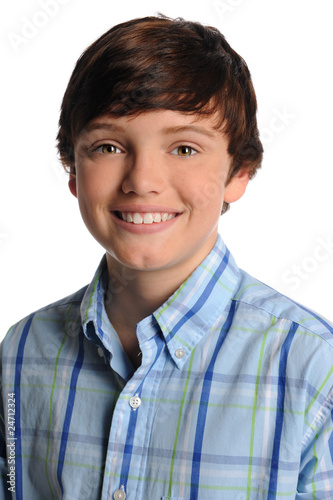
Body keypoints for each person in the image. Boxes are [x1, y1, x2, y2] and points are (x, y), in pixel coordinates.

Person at [1, 14, 333, 500]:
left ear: (239, 172)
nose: (142, 180)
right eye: (109, 146)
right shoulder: (22, 351)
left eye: (183, 148)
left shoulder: (313, 367)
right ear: (73, 170)